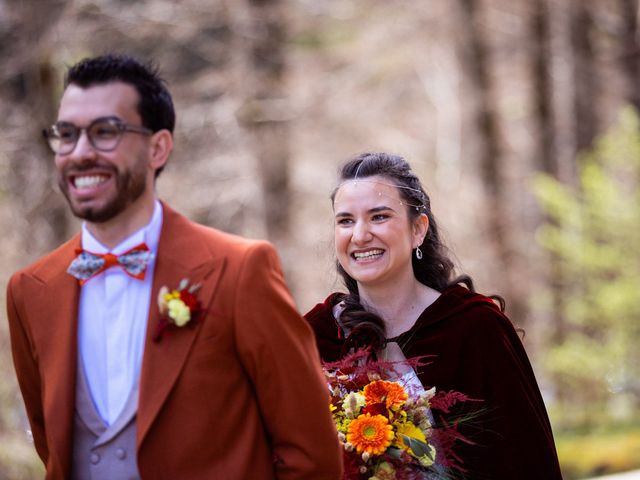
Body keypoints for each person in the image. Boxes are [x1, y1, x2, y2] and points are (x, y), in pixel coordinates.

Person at [6, 53, 342, 480]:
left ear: (158, 147)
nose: (81, 152)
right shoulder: (30, 290)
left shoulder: (239, 270)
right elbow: (49, 443)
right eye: (67, 134)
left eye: (105, 132)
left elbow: (312, 455)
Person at [305, 152, 563, 479]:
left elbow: (527, 460)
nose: (359, 235)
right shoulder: (315, 336)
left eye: (379, 216)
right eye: (345, 221)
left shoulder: (475, 328)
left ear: (418, 230)